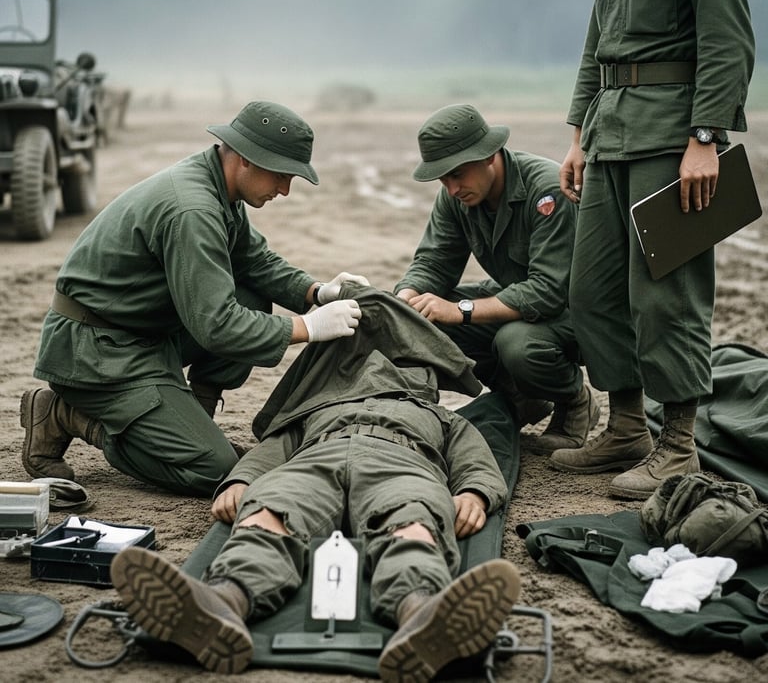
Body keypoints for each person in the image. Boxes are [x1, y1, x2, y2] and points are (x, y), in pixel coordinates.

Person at [110, 285, 522, 681]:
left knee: (411, 521)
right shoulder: (316, 408)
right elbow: (275, 447)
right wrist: (242, 480)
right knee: (272, 510)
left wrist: (475, 492)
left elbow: (475, 456)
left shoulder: (442, 417)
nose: (377, 367)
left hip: (400, 463)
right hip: (316, 459)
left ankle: (421, 615)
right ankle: (222, 602)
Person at [546, 0, 754, 498]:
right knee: (593, 290)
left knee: (666, 294)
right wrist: (579, 133)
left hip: (674, 138)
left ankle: (678, 446)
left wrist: (706, 138)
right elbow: (596, 38)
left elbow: (728, 40)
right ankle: (627, 429)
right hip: (610, 132)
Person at [20, 101, 368, 496]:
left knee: (251, 296)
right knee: (218, 470)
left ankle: (190, 419)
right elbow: (217, 326)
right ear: (245, 160)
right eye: (282, 175)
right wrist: (309, 327)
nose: (285, 190)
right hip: (97, 353)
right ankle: (68, 416)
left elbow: (253, 260)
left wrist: (317, 291)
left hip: (141, 332)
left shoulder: (216, 184)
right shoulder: (194, 208)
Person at [393, 103, 599, 452]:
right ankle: (525, 396)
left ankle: (574, 400)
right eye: (443, 178)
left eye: (457, 174)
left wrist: (461, 310)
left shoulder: (547, 190)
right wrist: (406, 298)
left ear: (489, 156)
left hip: (583, 310)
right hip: (523, 299)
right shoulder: (456, 196)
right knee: (424, 320)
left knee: (517, 344)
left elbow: (549, 291)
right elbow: (435, 261)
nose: (452, 188)